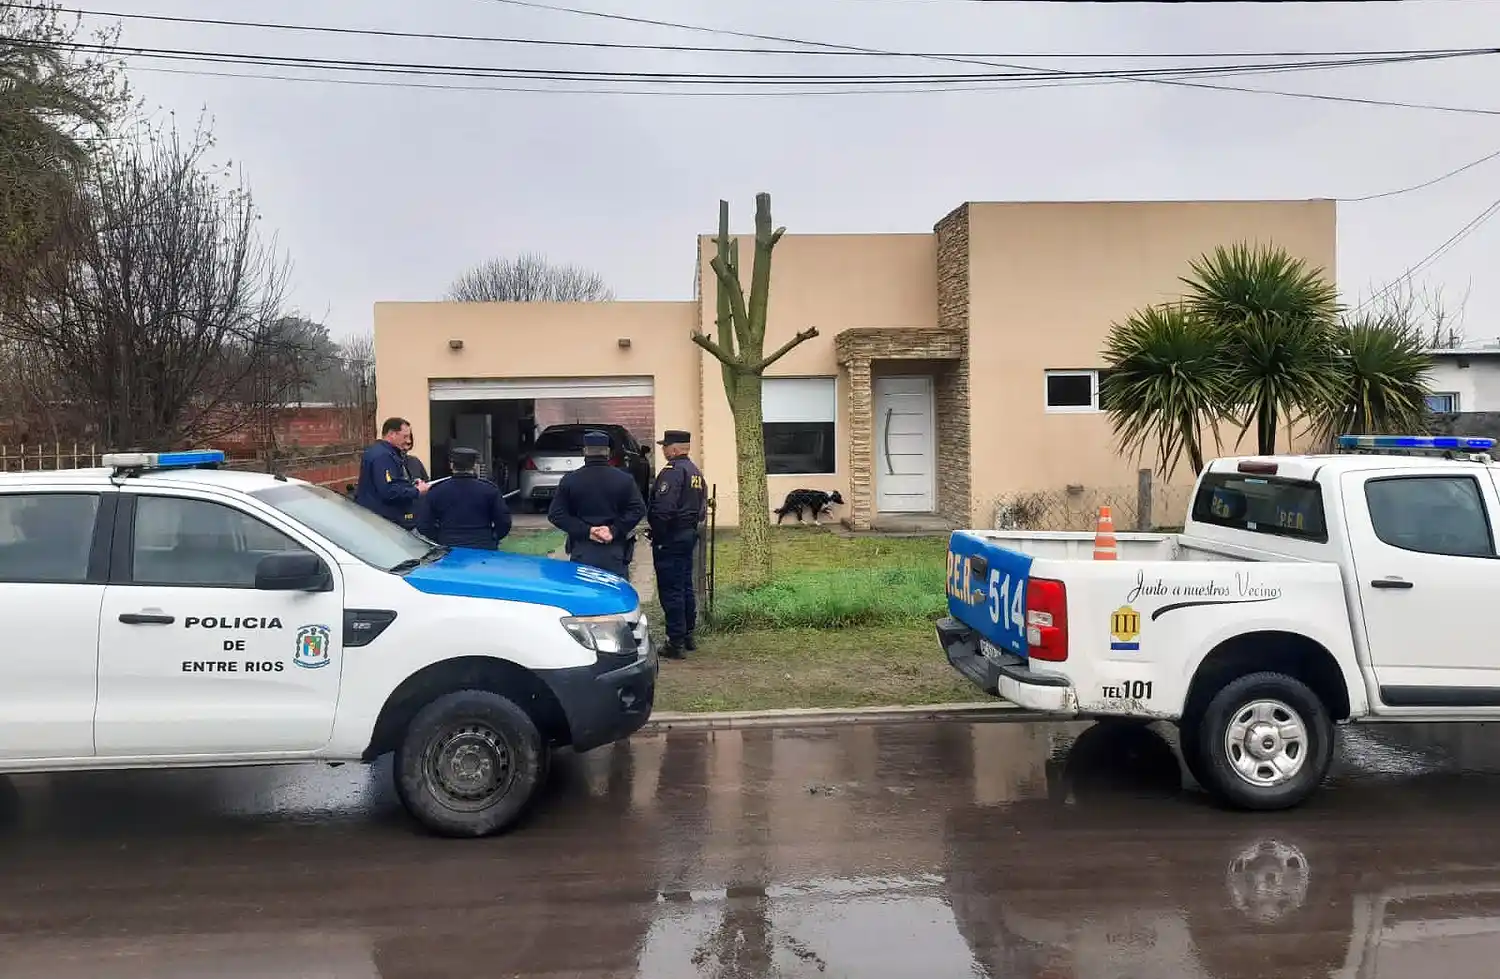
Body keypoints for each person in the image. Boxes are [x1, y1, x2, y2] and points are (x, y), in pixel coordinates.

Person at [547, 430, 645, 578]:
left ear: (585, 452)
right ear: (608, 452)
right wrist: (614, 529)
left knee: (584, 595)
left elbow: (556, 514)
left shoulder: (571, 480)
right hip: (614, 550)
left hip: (582, 549)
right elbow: (638, 509)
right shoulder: (624, 480)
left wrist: (588, 531)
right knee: (614, 595)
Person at [647, 429, 706, 659]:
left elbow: (663, 509)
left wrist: (658, 535)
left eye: (664, 446)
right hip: (688, 533)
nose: (662, 450)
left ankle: (675, 641)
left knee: (671, 589)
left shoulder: (672, 472)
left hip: (670, 537)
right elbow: (701, 508)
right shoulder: (695, 471)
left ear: (673, 449)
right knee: (684, 586)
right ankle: (688, 634)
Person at [416, 447, 512, 550]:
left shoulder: (437, 491)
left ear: (451, 465)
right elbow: (504, 522)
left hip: (448, 546)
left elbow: (424, 525)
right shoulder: (489, 490)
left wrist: (440, 538)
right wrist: (492, 537)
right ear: (475, 465)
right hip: (483, 546)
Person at [355, 417, 429, 528]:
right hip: (383, 523)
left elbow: (392, 483)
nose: (408, 441)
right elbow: (389, 491)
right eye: (405, 436)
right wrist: (416, 491)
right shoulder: (383, 456)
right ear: (392, 434)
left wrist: (410, 485)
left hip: (379, 520)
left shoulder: (380, 452)